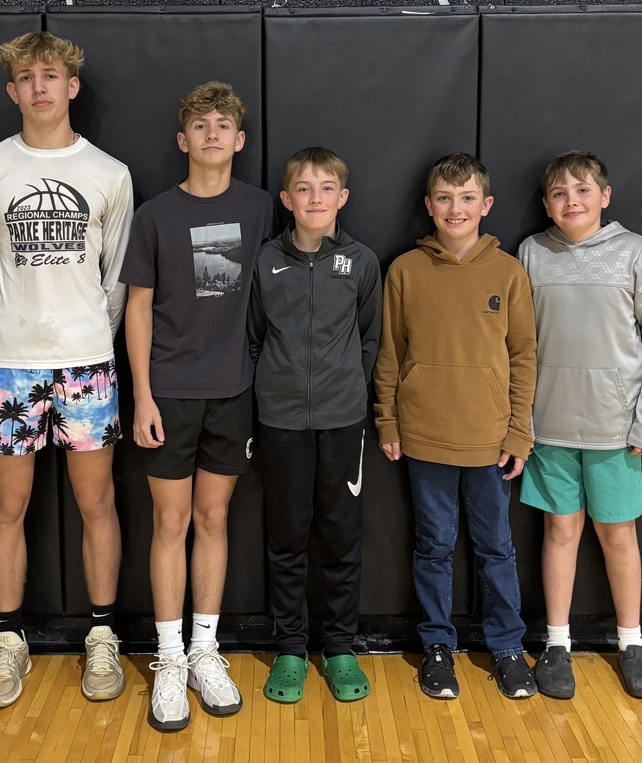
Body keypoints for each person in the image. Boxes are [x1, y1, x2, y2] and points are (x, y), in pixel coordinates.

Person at [0, 31, 134, 708]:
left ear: (72, 87)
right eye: (26, 76)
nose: (39, 86)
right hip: (9, 363)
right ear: (12, 91)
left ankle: (101, 634)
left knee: (98, 501)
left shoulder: (109, 174)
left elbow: (115, 279)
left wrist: (87, 334)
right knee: (6, 504)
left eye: (50, 74)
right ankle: (9, 640)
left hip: (87, 360)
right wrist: (13, 328)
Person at [120, 81, 273, 731]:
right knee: (169, 523)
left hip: (232, 391)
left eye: (223, 124)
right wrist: (143, 396)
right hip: (169, 395)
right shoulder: (155, 215)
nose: (212, 133)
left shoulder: (265, 208)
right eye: (200, 125)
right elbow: (136, 309)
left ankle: (206, 649)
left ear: (239, 140)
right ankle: (170, 659)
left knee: (213, 520)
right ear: (183, 141)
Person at [374, 152, 538, 701]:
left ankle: (509, 647)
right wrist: (389, 419)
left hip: (490, 439)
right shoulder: (404, 270)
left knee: (496, 549)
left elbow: (524, 357)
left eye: (467, 198)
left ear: (486, 206)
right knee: (433, 547)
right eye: (444, 198)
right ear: (428, 205)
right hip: (424, 436)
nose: (455, 209)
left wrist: (519, 432)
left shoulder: (509, 272)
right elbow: (390, 356)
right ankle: (438, 646)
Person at [518, 151, 642, 700]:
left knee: (618, 534)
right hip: (550, 425)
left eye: (583, 191)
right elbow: (516, 342)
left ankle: (632, 642)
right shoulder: (533, 252)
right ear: (546, 204)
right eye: (560, 194)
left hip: (616, 430)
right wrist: (520, 420)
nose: (572, 202)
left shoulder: (634, 252)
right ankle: (557, 643)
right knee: (560, 532)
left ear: (604, 196)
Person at [247, 147, 380, 704]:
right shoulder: (264, 262)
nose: (316, 198)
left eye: (327, 188)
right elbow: (253, 337)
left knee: (341, 536)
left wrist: (346, 387)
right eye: (304, 188)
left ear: (342, 198)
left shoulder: (362, 262)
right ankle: (291, 649)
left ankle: (341, 645)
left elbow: (370, 339)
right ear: (287, 199)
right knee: (287, 539)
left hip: (342, 421)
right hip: (280, 422)